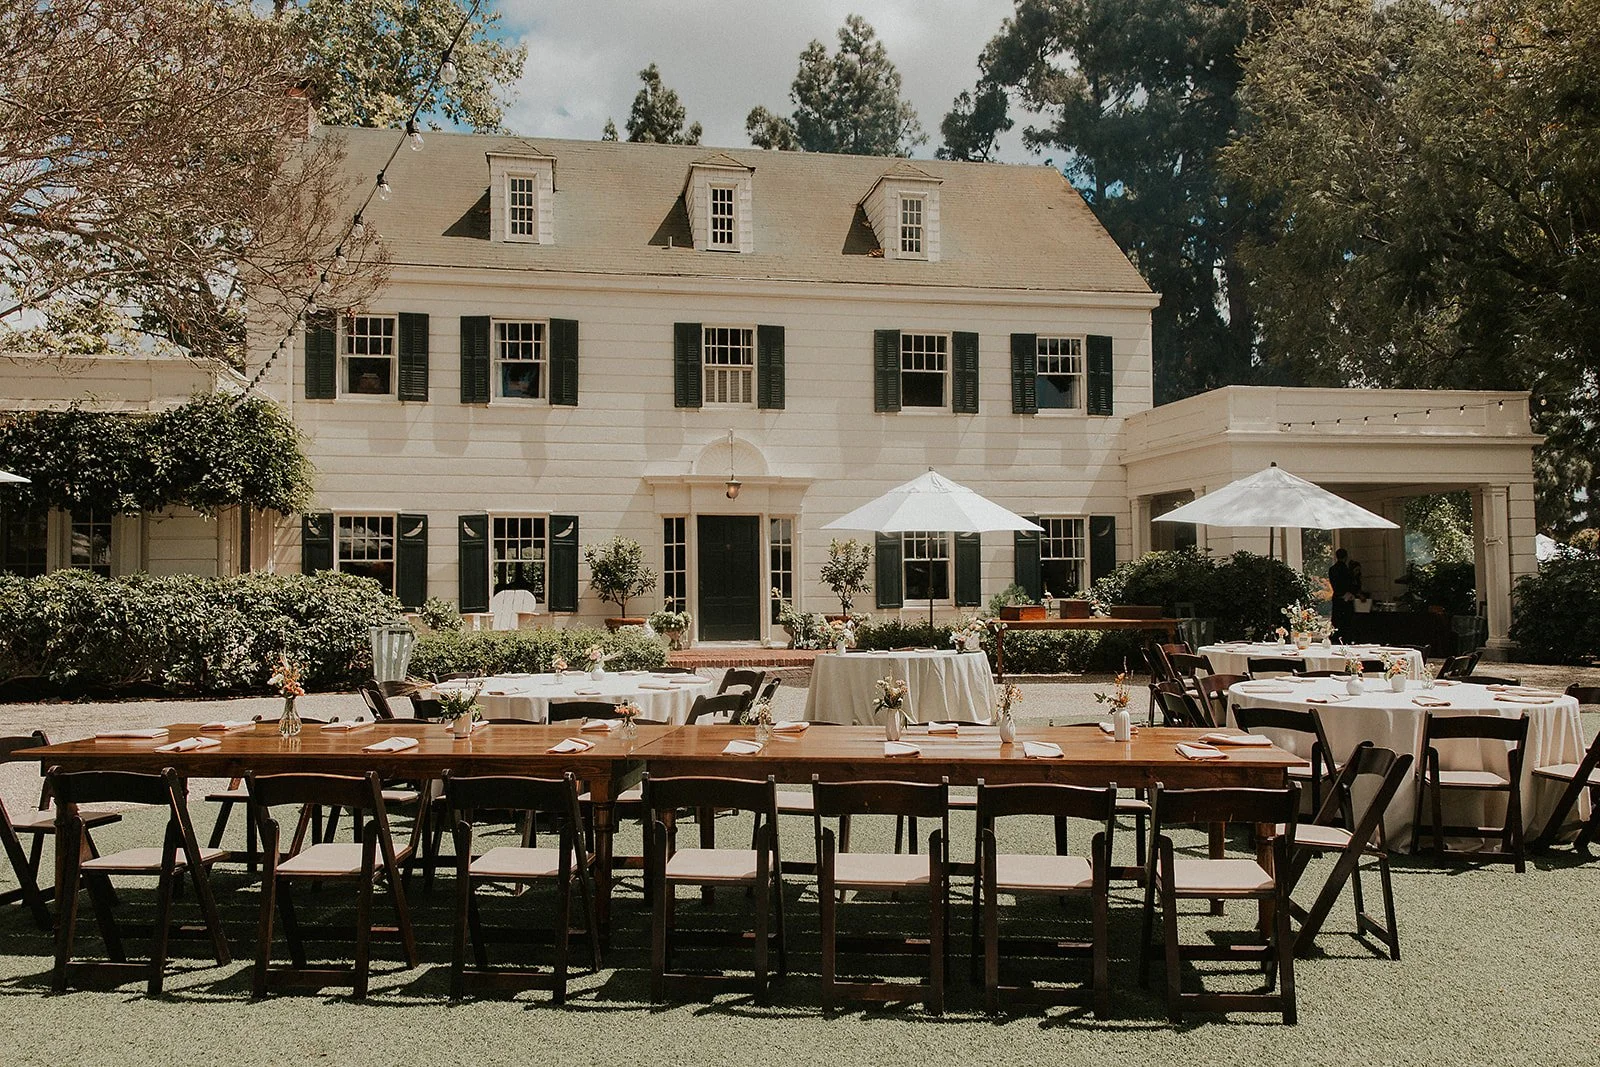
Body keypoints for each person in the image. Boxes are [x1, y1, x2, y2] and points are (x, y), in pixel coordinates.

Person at [1328, 548, 1360, 633]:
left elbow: (1334, 583)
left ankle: (1335, 636)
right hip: (1346, 597)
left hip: (1337, 596)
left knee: (1336, 619)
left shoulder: (1332, 569)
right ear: (1346, 557)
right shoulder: (1346, 570)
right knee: (1347, 621)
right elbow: (1350, 583)